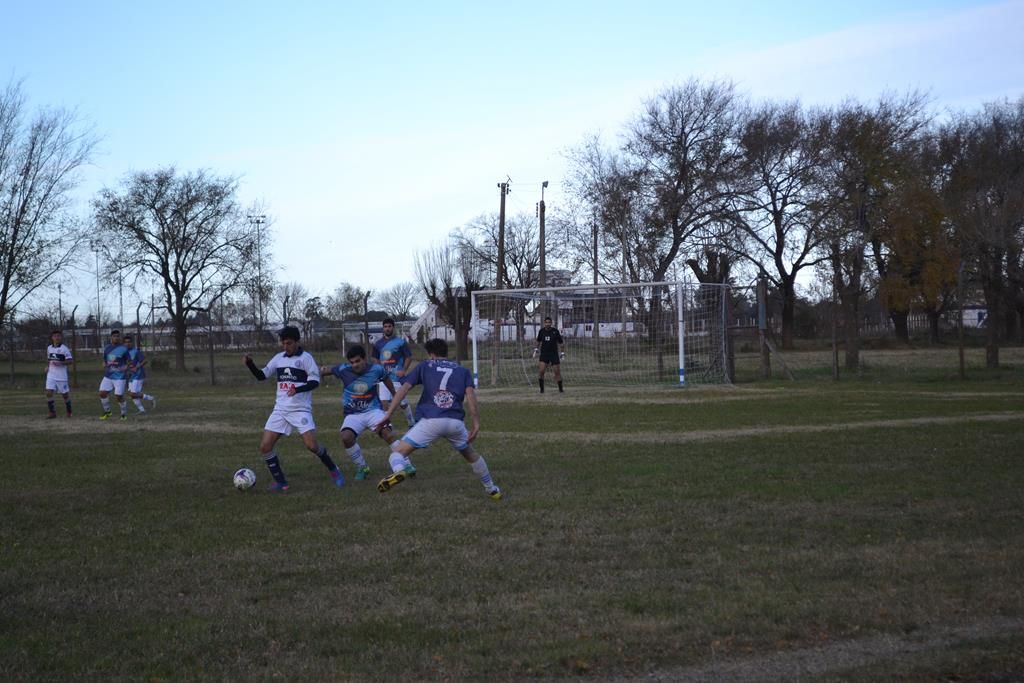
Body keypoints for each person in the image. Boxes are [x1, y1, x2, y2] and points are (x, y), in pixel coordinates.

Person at [374, 338, 501, 501]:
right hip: (455, 423)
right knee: (470, 454)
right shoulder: (462, 370)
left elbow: (404, 389)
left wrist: (388, 414)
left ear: (431, 355)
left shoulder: (425, 365)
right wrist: (476, 424)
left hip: (431, 421)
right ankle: (492, 489)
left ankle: (400, 471)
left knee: (397, 454)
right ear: (446, 353)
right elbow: (471, 397)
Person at [244, 326, 344, 492]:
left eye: (289, 343)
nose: (286, 346)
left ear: (297, 342)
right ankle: (281, 482)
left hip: (300, 409)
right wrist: (250, 365)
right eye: (283, 343)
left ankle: (334, 469)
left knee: (312, 446)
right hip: (280, 410)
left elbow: (315, 382)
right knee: (265, 447)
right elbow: (262, 376)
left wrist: (297, 389)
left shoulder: (306, 358)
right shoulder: (279, 358)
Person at [319, 344, 416, 481]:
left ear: (364, 359)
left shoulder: (376, 369)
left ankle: (407, 464)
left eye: (358, 361)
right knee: (346, 437)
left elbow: (386, 379)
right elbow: (326, 370)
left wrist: (395, 395)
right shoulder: (343, 369)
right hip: (353, 414)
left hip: (373, 411)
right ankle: (362, 467)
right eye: (352, 362)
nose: (355, 365)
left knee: (388, 434)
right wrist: (319, 373)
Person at [372, 317, 416, 427]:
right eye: (385, 327)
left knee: (402, 403)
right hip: (384, 378)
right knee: (384, 401)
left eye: (389, 326)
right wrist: (379, 369)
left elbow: (409, 357)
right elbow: (375, 358)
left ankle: (411, 422)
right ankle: (388, 425)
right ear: (383, 328)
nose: (387, 328)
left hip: (396, 378)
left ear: (393, 327)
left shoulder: (400, 342)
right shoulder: (378, 344)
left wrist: (403, 370)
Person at [98, 329, 131, 421]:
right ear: (111, 337)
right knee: (102, 393)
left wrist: (126, 366)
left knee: (118, 396)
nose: (116, 338)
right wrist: (104, 363)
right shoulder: (107, 348)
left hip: (120, 376)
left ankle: (123, 414)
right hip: (108, 375)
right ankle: (108, 412)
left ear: (119, 338)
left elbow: (129, 361)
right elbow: (105, 360)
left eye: (118, 336)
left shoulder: (123, 349)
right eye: (114, 336)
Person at [123, 334, 156, 414]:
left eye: (129, 342)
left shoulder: (136, 352)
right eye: (126, 342)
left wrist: (136, 367)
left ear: (131, 343)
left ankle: (151, 398)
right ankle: (142, 410)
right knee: (132, 394)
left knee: (133, 394)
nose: (127, 343)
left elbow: (145, 361)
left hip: (138, 374)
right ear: (123, 344)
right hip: (130, 375)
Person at [44, 330, 74, 418]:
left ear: (61, 337)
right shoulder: (49, 348)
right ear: (52, 338)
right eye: (55, 336)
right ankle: (52, 412)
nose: (57, 338)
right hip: (51, 375)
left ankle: (69, 411)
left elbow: (70, 361)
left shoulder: (64, 349)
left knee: (65, 395)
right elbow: (49, 360)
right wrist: (47, 367)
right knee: (48, 393)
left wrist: (61, 363)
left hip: (61, 376)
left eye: (58, 336)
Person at [533, 316, 565, 393]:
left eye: (549, 322)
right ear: (544, 323)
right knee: (541, 371)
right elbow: (538, 341)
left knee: (557, 372)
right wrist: (536, 350)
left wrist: (562, 353)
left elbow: (561, 343)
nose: (547, 324)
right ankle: (542, 390)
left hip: (554, 354)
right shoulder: (541, 331)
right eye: (546, 322)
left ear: (551, 323)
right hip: (544, 354)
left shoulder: (555, 331)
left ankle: (560, 389)